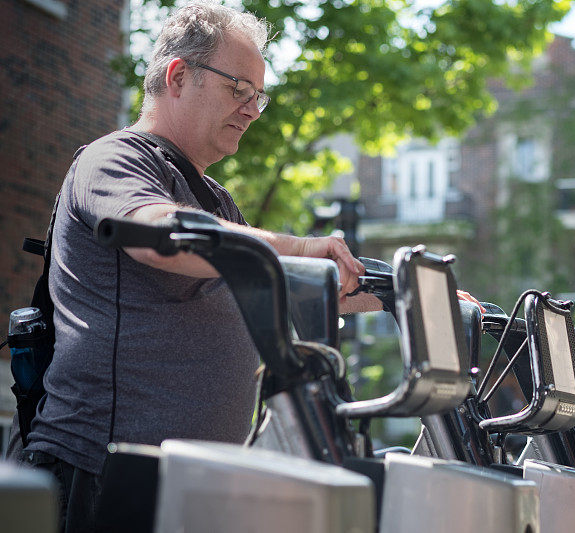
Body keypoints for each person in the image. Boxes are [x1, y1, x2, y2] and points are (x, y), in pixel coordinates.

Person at [19, 3, 373, 531]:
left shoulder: (217, 201)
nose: (253, 110)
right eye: (239, 89)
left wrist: (410, 298)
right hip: (101, 474)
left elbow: (291, 283)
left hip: (193, 486)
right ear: (179, 76)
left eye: (259, 96)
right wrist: (297, 248)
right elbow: (163, 234)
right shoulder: (114, 159)